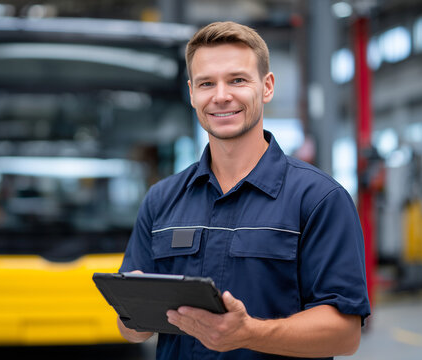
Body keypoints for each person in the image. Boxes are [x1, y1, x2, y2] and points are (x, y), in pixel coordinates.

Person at [117, 21, 370, 359]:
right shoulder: (162, 200)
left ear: (266, 87)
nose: (221, 96)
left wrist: (249, 334)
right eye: (207, 83)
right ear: (192, 93)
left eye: (237, 80)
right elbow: (132, 330)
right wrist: (133, 310)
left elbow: (345, 334)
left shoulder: (318, 199)